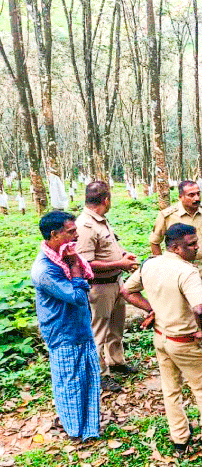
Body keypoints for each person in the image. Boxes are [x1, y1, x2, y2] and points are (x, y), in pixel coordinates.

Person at [122, 223, 202, 452]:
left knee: (171, 389)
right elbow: (200, 309)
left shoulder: (150, 263)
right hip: (186, 341)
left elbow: (127, 291)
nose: (197, 248)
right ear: (176, 248)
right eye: (191, 245)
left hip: (162, 339)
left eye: (197, 243)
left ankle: (179, 437)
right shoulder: (187, 271)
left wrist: (151, 309)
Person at [31, 211, 100, 442]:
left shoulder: (59, 258)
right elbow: (78, 296)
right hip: (63, 333)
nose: (77, 234)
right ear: (54, 235)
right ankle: (74, 429)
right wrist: (74, 266)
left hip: (79, 327)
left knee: (88, 377)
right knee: (69, 382)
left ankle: (89, 427)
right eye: (71, 231)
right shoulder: (46, 270)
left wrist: (73, 264)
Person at [76, 181, 140, 392]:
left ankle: (116, 361)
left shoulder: (101, 221)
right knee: (99, 332)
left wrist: (123, 255)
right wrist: (119, 264)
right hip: (99, 287)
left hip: (115, 282)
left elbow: (109, 247)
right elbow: (86, 263)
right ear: (106, 200)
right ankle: (101, 374)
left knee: (116, 327)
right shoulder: (84, 225)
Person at [148, 181, 202, 296]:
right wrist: (163, 266)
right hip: (179, 270)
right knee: (182, 308)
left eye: (198, 194)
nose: (196, 198)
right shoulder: (168, 216)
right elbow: (155, 242)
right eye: (191, 195)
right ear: (181, 197)